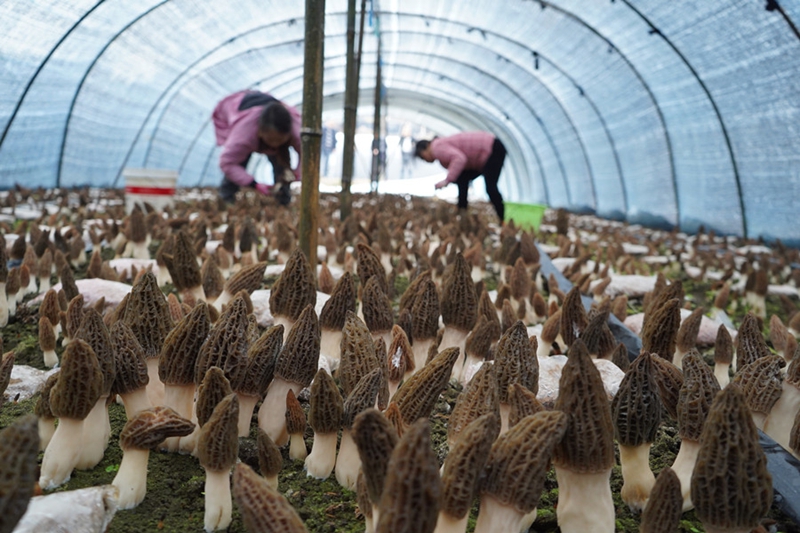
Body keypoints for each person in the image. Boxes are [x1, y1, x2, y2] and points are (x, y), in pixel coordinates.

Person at [212, 90, 302, 205]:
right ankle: (226, 198)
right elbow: (228, 163)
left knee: (282, 167)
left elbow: (309, 155)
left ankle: (283, 200)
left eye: (279, 140)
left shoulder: (297, 130)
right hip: (239, 110)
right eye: (271, 140)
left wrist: (297, 174)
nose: (274, 144)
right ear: (260, 132)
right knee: (239, 161)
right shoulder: (243, 135)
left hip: (277, 140)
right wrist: (254, 184)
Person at [414, 131, 506, 221]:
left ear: (426, 148)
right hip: (488, 149)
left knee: (491, 187)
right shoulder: (439, 145)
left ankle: (502, 219)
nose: (425, 160)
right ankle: (462, 213)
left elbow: (459, 159)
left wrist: (447, 180)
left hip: (492, 149)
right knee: (462, 179)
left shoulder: (436, 148)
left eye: (423, 157)